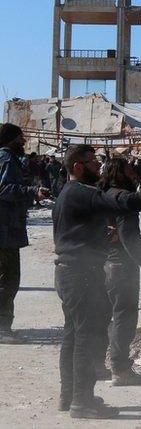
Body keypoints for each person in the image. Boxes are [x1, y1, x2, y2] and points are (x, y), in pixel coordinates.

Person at [53, 144, 141, 419]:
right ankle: (82, 403)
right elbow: (126, 203)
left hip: (70, 272)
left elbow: (73, 234)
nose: (97, 166)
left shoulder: (67, 194)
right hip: (81, 276)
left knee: (73, 335)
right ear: (77, 166)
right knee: (87, 339)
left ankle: (69, 397)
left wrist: (101, 237)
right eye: (91, 162)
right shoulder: (83, 193)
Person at [96, 158, 141, 386]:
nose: (133, 173)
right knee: (125, 318)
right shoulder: (123, 199)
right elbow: (130, 237)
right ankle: (120, 370)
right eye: (129, 169)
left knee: (106, 316)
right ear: (119, 172)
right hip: (121, 267)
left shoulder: (102, 193)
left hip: (103, 265)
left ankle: (97, 364)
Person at [0, 124, 50, 343]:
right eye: (21, 137)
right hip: (4, 229)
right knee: (8, 279)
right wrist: (32, 192)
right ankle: (2, 329)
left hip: (7, 227)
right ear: (11, 139)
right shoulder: (6, 157)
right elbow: (4, 189)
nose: (24, 141)